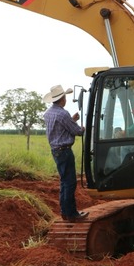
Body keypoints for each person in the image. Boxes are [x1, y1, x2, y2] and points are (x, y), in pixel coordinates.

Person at [43, 84, 88, 222]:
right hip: (65, 151)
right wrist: (82, 127)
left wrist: (71, 121)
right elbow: (77, 131)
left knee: (64, 182)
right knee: (70, 183)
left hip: (56, 151)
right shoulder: (63, 113)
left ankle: (64, 212)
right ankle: (72, 214)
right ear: (62, 98)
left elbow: (60, 127)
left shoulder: (48, 113)